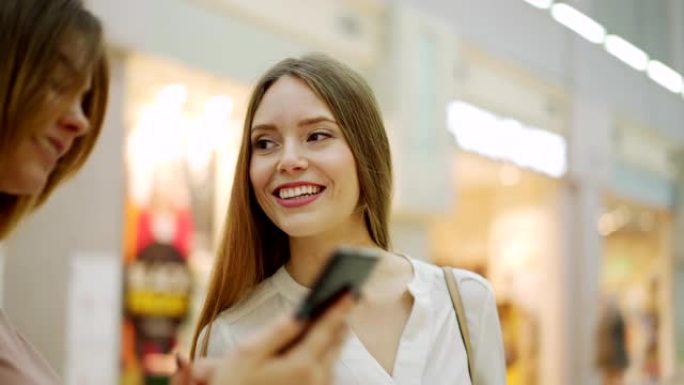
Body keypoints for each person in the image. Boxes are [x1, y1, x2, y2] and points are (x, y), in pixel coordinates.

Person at [0, 1, 352, 385]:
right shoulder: (230, 334)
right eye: (56, 85)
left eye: (317, 135)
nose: (80, 121)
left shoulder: (427, 297)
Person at [192, 54, 507, 384]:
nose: (288, 160)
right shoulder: (232, 337)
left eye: (316, 135)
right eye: (265, 143)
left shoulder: (463, 301)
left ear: (365, 149)